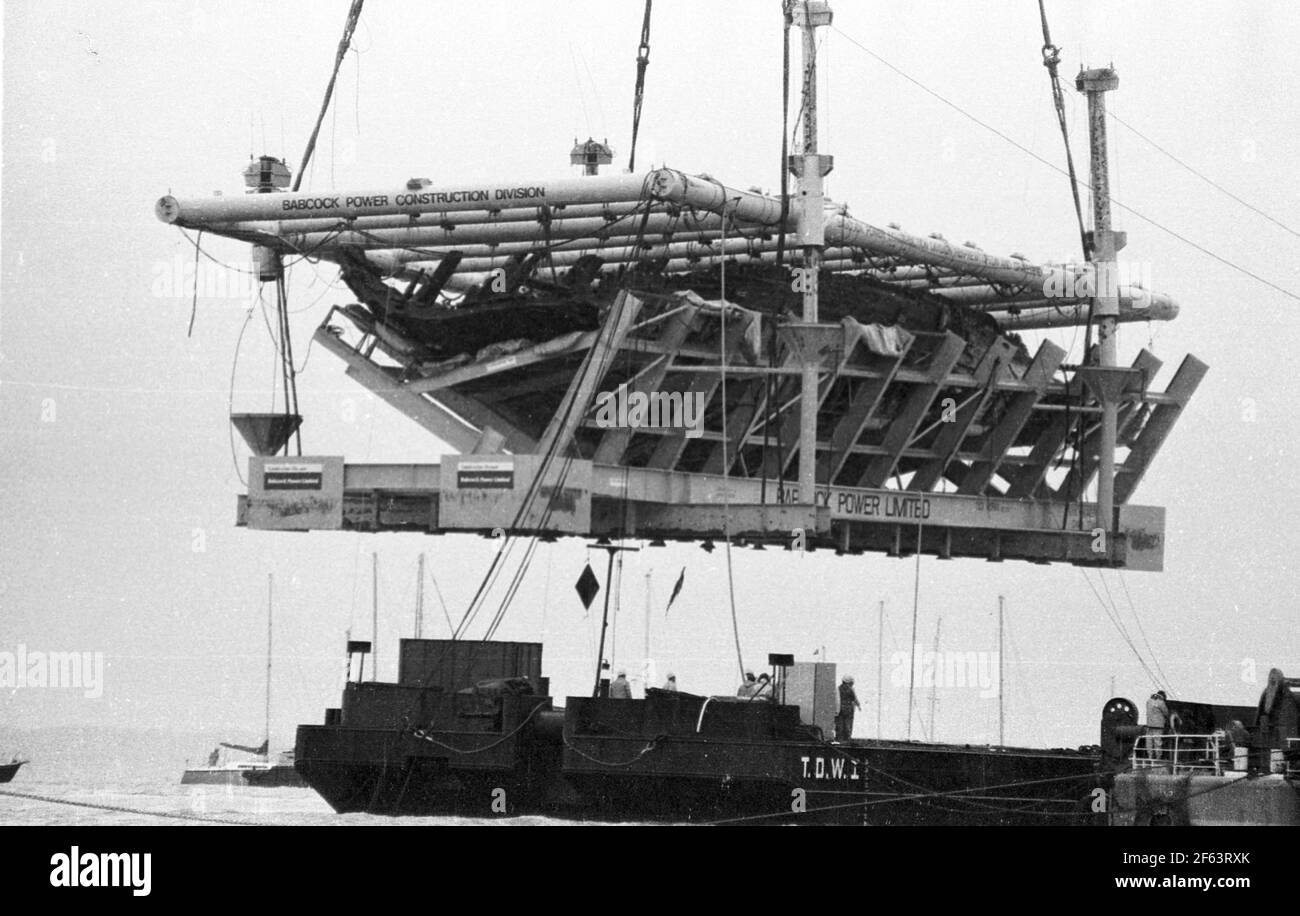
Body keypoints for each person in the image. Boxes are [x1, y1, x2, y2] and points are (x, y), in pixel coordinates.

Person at [1145, 690, 1169, 761]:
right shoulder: (1161, 702)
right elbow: (1166, 713)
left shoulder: (1148, 701)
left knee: (1149, 742)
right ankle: (1158, 758)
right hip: (1158, 726)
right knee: (1157, 743)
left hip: (1149, 725)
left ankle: (1150, 757)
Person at [835, 675, 861, 741]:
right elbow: (854, 698)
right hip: (848, 710)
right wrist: (858, 705)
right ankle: (846, 739)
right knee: (847, 725)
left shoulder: (838, 688)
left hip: (840, 710)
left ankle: (839, 739)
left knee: (840, 726)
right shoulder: (850, 689)